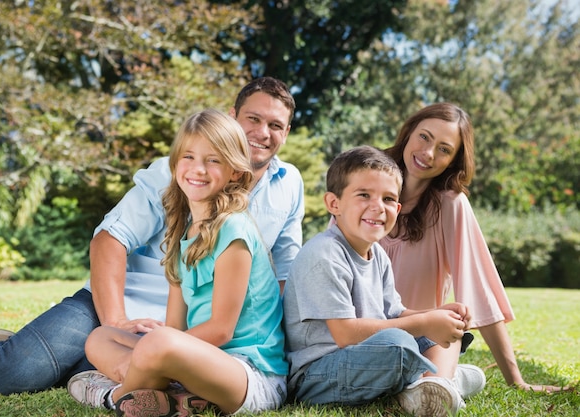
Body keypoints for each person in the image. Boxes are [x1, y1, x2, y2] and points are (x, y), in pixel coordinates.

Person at [0, 77, 304, 395]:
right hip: (116, 304)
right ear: (232, 115)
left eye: (276, 125)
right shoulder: (175, 174)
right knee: (9, 373)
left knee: (85, 367)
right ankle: (13, 352)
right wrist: (117, 320)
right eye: (253, 119)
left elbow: (285, 274)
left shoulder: (289, 185)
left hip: (186, 330)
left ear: (286, 133)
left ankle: (37, 350)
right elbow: (109, 239)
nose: (263, 132)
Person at [68, 109, 289, 416]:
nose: (198, 169)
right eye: (188, 157)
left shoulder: (234, 231)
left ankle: (113, 395)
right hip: (197, 362)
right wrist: (157, 348)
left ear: (235, 171)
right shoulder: (182, 235)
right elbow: (175, 326)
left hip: (249, 375)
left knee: (157, 345)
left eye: (213, 160)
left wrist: (157, 349)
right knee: (100, 337)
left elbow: (221, 332)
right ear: (174, 165)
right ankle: (177, 399)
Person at [379, 102, 569, 393]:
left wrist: (516, 381)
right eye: (424, 137)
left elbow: (479, 292)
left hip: (424, 338)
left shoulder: (450, 205)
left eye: (444, 149)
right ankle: (456, 378)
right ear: (408, 132)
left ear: (453, 160)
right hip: (364, 333)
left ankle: (443, 376)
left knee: (428, 388)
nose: (428, 153)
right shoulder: (368, 182)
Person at [283, 145, 473, 417]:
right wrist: (423, 323)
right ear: (333, 203)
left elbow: (395, 313)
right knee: (398, 344)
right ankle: (440, 378)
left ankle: (435, 383)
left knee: (449, 334)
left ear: (397, 208)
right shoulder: (324, 254)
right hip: (317, 374)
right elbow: (346, 334)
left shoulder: (379, 255)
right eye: (364, 195)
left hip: (364, 356)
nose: (377, 207)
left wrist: (437, 315)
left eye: (387, 199)